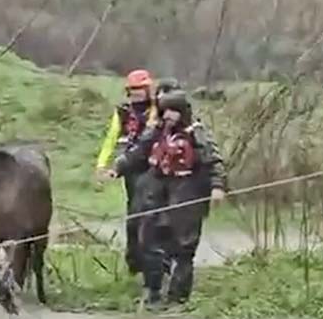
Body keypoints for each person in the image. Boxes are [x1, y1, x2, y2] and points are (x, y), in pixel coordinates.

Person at [108, 90, 228, 306]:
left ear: (183, 112)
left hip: (187, 190)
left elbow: (213, 161)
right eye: (165, 111)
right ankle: (153, 291)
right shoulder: (156, 131)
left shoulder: (196, 133)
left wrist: (217, 186)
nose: (168, 116)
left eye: (173, 111)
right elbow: (139, 152)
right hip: (157, 188)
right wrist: (119, 167)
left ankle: (177, 298)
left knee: (183, 248)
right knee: (148, 241)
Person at [96, 69, 158, 274]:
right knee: (133, 214)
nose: (137, 93)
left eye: (140, 89)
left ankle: (153, 262)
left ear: (148, 89)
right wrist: (101, 165)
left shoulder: (157, 109)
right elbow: (111, 138)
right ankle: (134, 261)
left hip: (153, 168)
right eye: (133, 90)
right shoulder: (123, 111)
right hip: (130, 169)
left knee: (147, 214)